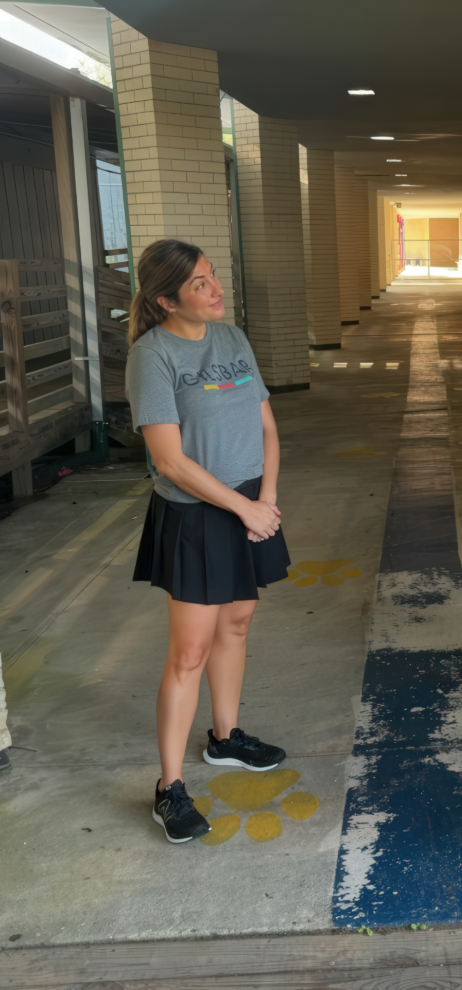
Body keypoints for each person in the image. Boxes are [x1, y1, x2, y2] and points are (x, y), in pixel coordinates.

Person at [125, 239, 291, 844]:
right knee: (188, 652)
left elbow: (267, 425)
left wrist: (265, 498)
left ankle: (225, 738)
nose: (216, 288)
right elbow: (168, 461)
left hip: (251, 506)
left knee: (238, 623)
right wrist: (243, 505)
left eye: (213, 276)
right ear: (167, 299)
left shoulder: (233, 339)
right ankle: (169, 789)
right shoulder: (153, 356)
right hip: (197, 515)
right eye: (200, 283)